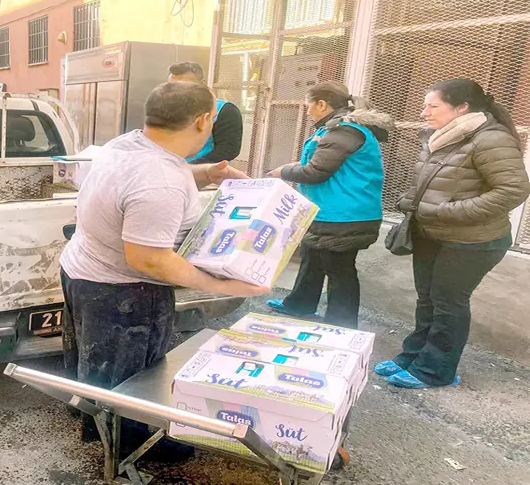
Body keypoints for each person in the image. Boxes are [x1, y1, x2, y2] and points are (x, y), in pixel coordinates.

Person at [60, 81, 269, 451]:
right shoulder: (160, 182)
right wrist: (221, 285)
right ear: (203, 121)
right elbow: (148, 259)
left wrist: (206, 174)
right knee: (128, 379)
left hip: (83, 271)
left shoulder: (127, 144)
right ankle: (128, 448)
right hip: (123, 292)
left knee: (96, 364)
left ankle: (93, 421)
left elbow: (150, 178)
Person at [375, 79, 530, 389]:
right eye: (425, 105)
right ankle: (413, 357)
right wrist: (411, 201)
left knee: (448, 304)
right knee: (428, 301)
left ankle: (436, 371)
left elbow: (514, 189)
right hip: (432, 234)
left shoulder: (489, 139)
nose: (424, 112)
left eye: (433, 106)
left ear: (462, 108)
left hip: (472, 241)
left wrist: (448, 211)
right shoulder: (439, 137)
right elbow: (432, 183)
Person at [265, 82, 393, 328]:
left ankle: (342, 324)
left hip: (344, 214)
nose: (307, 111)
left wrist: (284, 172)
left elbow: (315, 172)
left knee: (339, 269)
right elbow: (320, 161)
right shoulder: (334, 129)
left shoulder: (344, 130)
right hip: (327, 210)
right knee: (312, 259)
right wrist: (295, 166)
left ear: (322, 104)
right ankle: (300, 304)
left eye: (308, 105)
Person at [167, 61, 243, 164]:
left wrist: (191, 167)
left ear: (202, 83)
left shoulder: (225, 110)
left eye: (186, 86)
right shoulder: (167, 110)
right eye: (172, 86)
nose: (178, 91)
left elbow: (227, 150)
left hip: (206, 171)